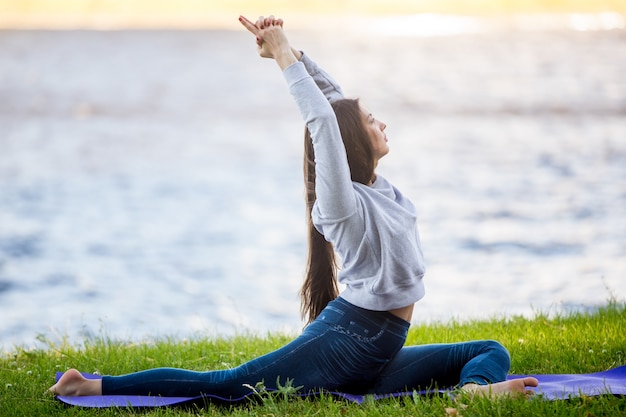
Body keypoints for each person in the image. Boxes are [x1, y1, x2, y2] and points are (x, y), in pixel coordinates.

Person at [49, 15, 538, 400]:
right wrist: (282, 57)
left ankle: (476, 394)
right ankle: (87, 385)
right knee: (229, 386)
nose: (381, 121)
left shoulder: (376, 188)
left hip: (379, 347)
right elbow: (325, 121)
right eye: (372, 120)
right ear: (353, 140)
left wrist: (294, 50)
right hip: (352, 337)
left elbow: (335, 104)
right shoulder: (341, 204)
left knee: (488, 350)